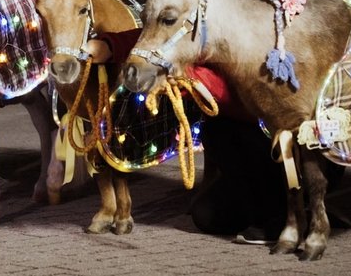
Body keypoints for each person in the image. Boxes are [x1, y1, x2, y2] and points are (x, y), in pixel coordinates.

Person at [85, 28, 307, 242]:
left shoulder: (234, 23)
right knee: (207, 216)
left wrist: (190, 77)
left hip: (267, 134)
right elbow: (160, 30)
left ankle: (286, 213)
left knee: (225, 132)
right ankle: (262, 209)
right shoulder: (192, 20)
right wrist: (111, 46)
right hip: (235, 135)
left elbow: (242, 87)